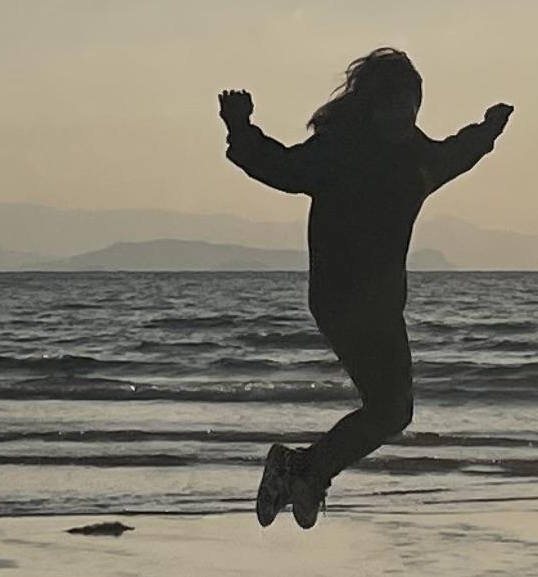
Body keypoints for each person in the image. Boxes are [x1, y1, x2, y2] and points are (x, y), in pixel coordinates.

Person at [218, 49, 511, 527]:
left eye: (411, 105)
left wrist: (489, 131)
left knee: (392, 410)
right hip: (340, 300)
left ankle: (304, 470)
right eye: (393, 105)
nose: (403, 115)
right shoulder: (340, 149)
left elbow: (455, 154)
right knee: (392, 407)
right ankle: (304, 470)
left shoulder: (415, 156)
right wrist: (240, 127)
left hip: (381, 304)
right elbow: (280, 168)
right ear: (371, 104)